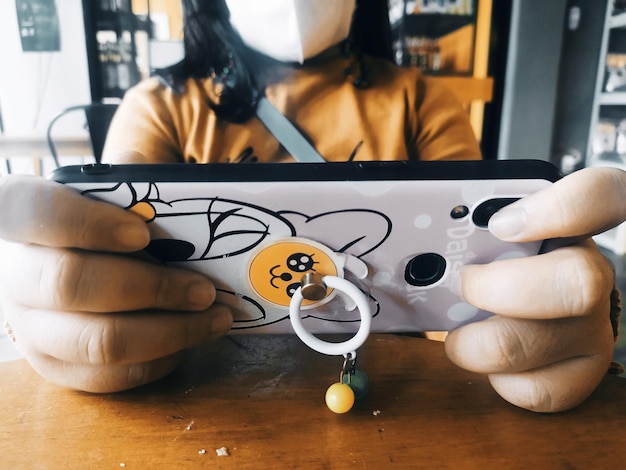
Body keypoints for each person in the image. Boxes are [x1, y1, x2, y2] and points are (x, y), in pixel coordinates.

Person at [0, 0, 619, 413]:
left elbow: (479, 285)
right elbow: (100, 265)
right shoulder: (160, 107)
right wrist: (49, 307)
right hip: (214, 404)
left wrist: (575, 307)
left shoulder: (421, 100)